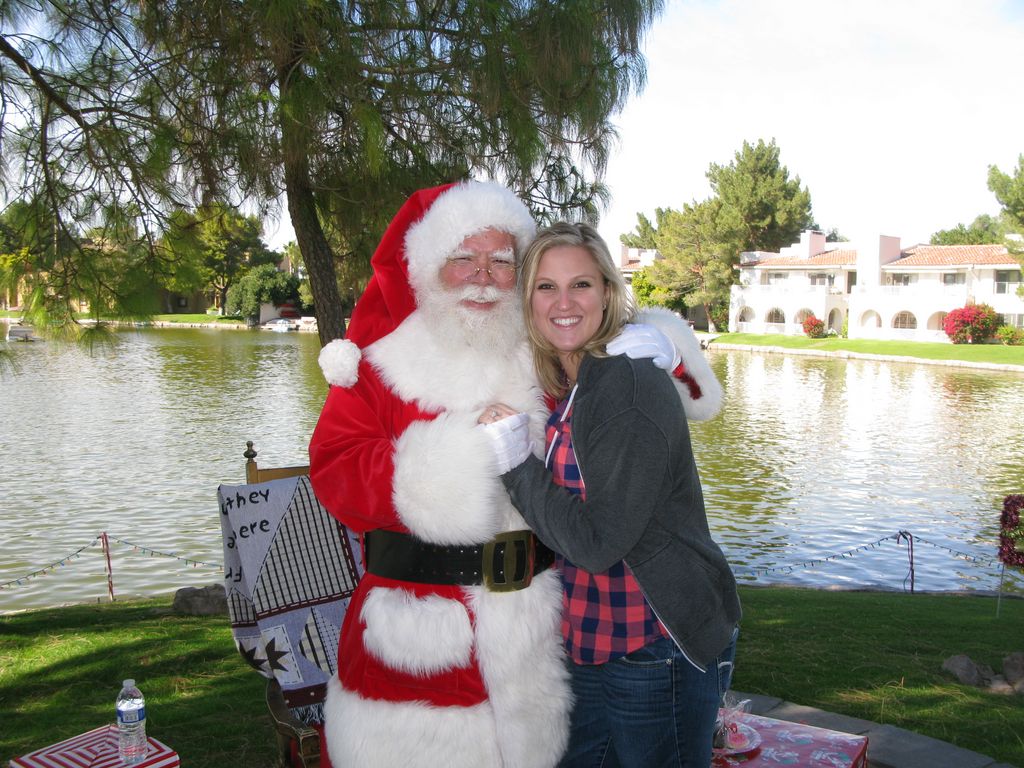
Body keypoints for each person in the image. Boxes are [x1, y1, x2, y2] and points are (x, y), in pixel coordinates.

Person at [308, 181, 721, 767]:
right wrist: (461, 456)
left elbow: (655, 405)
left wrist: (665, 349)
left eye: (501, 261)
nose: (482, 276)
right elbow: (336, 468)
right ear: (428, 268)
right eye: (463, 258)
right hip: (424, 632)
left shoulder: (546, 348)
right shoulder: (381, 362)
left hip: (545, 627)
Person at [481, 221, 742, 768]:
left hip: (653, 641)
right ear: (527, 300)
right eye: (545, 287)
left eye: (581, 284)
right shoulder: (579, 379)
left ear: (606, 292)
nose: (563, 302)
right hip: (595, 636)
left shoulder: (624, 383)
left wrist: (514, 462)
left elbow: (598, 542)